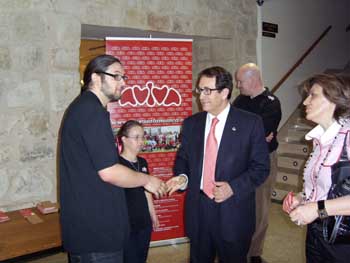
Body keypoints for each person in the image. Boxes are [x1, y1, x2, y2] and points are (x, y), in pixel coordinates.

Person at [59, 54, 167, 263]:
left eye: (124, 77)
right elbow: (109, 171)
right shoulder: (92, 111)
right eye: (116, 76)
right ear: (96, 78)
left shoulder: (84, 108)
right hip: (97, 233)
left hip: (89, 229)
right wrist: (147, 180)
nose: (123, 82)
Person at [166, 66, 270, 263]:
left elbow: (261, 168)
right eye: (199, 90)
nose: (201, 96)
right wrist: (182, 177)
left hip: (233, 212)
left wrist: (233, 187)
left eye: (207, 90)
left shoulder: (250, 123)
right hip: (199, 210)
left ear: (224, 92)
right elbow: (183, 159)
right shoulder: (191, 124)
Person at [283, 74, 350, 262]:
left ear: (334, 99)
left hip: (344, 238)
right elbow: (327, 188)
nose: (305, 102)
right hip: (317, 231)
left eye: (312, 95)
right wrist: (302, 198)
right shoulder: (320, 139)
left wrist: (317, 209)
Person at [234, 63, 282, 263]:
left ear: (253, 80)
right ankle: (236, 248)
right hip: (241, 160)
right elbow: (231, 125)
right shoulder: (240, 100)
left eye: (240, 81)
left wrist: (245, 134)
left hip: (263, 160)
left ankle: (254, 253)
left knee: (259, 209)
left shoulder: (271, 103)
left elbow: (261, 135)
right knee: (238, 206)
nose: (238, 85)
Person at [117, 120, 159, 263]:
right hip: (125, 225)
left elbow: (147, 193)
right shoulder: (116, 164)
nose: (141, 141)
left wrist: (153, 215)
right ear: (124, 139)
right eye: (136, 137)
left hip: (144, 223)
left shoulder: (143, 162)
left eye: (142, 137)